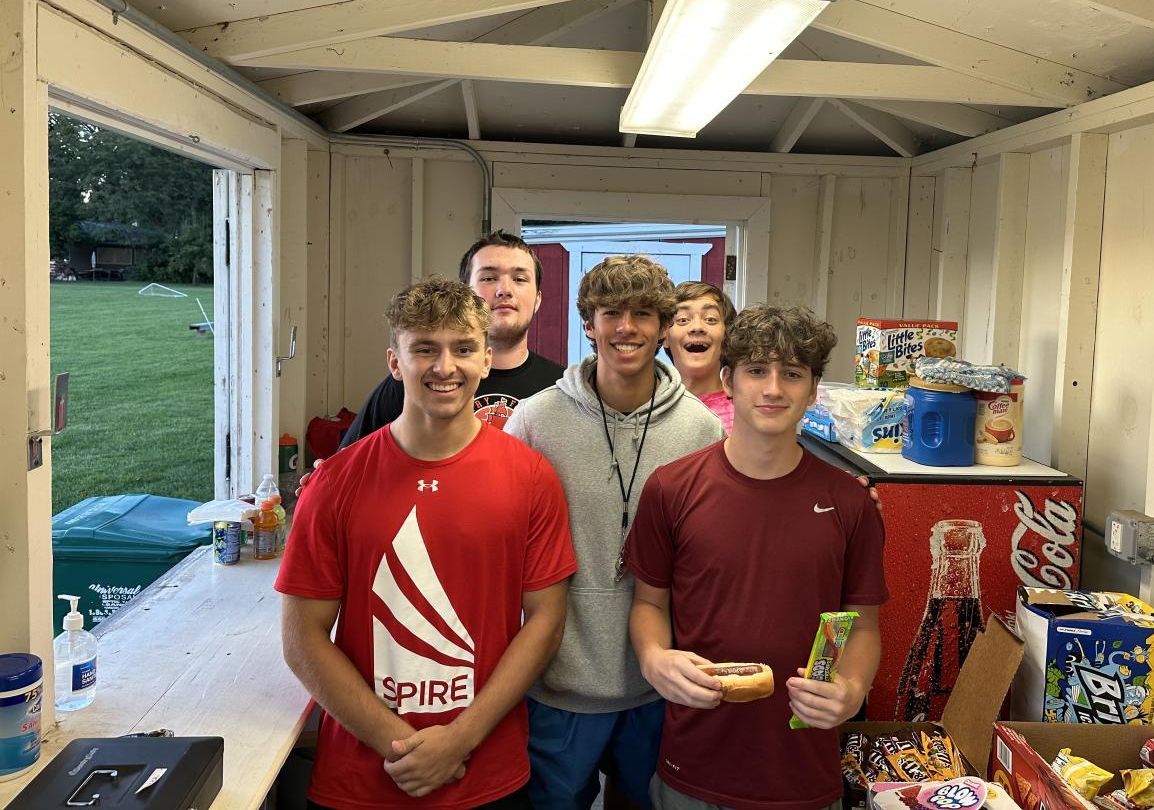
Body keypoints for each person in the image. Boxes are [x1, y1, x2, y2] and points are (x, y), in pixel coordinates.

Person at [277, 278, 578, 810]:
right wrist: (400, 746)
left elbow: (546, 622)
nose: (445, 367)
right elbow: (303, 638)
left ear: (486, 360)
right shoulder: (335, 483)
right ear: (395, 362)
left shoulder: (531, 477)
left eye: (463, 348)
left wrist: (460, 739)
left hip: (486, 771)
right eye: (424, 349)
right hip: (362, 780)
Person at [625, 304, 888, 810]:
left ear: (812, 390)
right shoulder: (671, 488)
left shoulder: (850, 502)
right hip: (693, 764)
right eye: (756, 371)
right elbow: (648, 604)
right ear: (728, 380)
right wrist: (654, 657)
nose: (773, 389)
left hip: (803, 770)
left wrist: (853, 687)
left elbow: (862, 626)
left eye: (792, 374)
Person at [503, 255, 725, 810]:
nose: (627, 327)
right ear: (588, 323)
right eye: (611, 313)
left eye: (643, 313)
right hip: (557, 684)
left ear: (664, 326)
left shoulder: (702, 430)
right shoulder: (533, 421)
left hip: (658, 685)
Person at [340, 230, 562, 445]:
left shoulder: (560, 388)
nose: (504, 289)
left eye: (520, 279)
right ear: (465, 294)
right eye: (488, 278)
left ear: (538, 299)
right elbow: (351, 459)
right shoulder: (414, 381)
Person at [662, 281, 736, 433]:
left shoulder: (746, 412)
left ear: (727, 336)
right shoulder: (647, 407)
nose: (697, 327)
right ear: (664, 336)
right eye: (683, 320)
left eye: (710, 319)